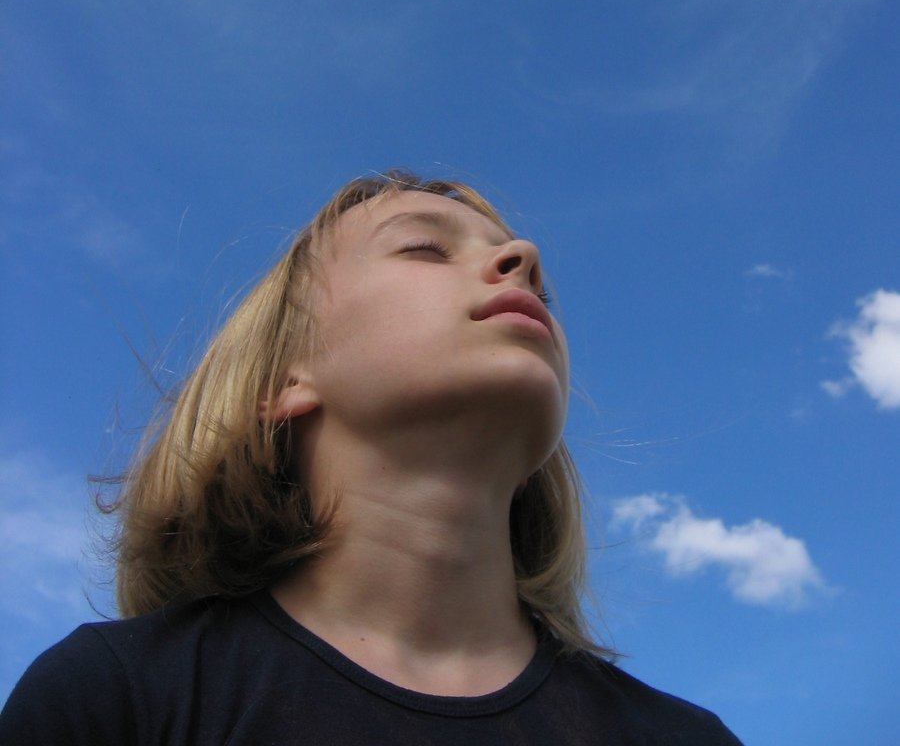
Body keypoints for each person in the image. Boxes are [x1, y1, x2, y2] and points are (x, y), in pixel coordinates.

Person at [1, 171, 743, 744]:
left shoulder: (684, 738)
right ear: (285, 378)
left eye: (540, 284)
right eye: (426, 247)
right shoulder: (117, 695)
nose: (525, 260)